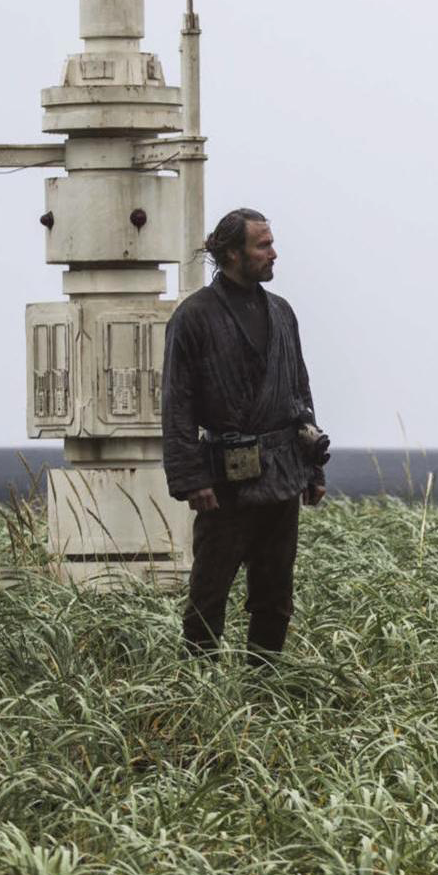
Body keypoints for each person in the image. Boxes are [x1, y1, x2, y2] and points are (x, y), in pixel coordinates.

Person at [159, 208, 330, 663]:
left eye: (271, 243)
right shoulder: (193, 317)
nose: (273, 253)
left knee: (275, 596)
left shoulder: (282, 312)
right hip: (224, 483)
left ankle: (264, 689)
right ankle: (199, 695)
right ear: (232, 253)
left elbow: (300, 391)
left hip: (282, 475)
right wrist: (192, 479)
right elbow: (176, 405)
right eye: (263, 245)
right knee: (208, 596)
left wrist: (312, 468)